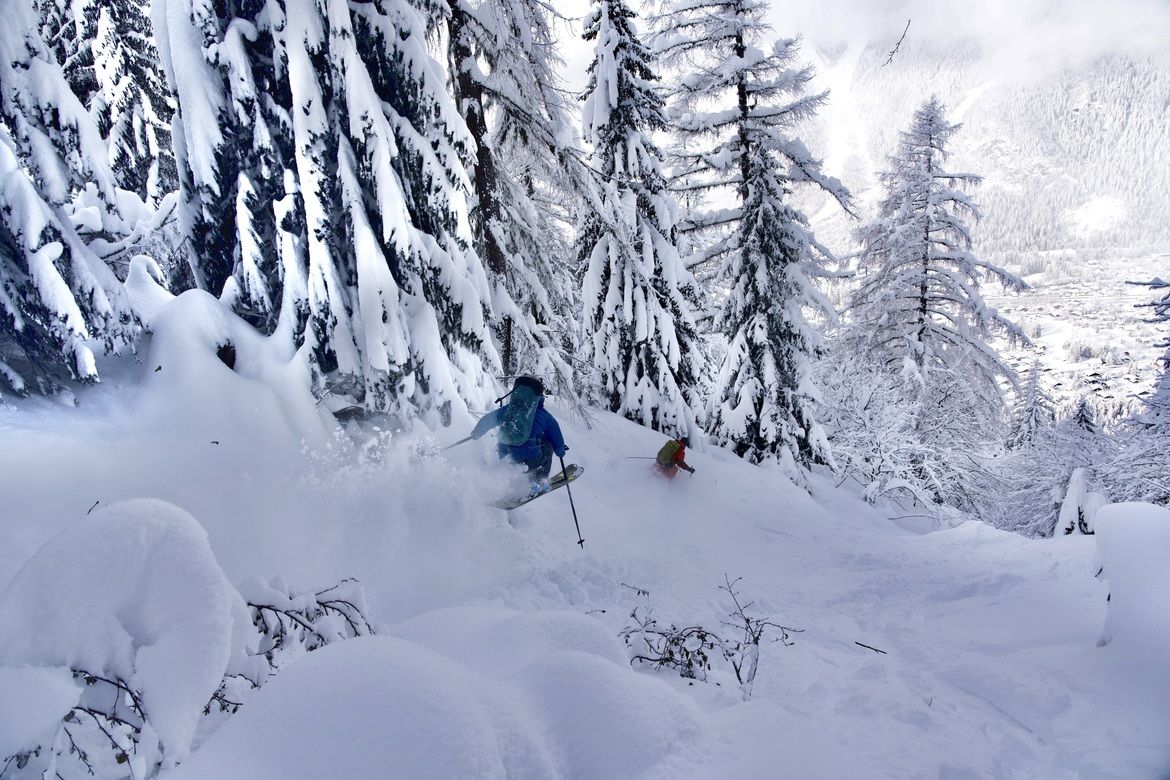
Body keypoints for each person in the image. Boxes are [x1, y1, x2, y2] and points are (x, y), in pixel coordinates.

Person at [471, 376, 567, 494]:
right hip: (530, 458)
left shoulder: (507, 410)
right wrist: (560, 451)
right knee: (548, 446)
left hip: (506, 456)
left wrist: (476, 433)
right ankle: (539, 482)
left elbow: (487, 420)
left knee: (507, 451)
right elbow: (556, 435)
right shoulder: (544, 415)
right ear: (538, 396)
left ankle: (508, 485)